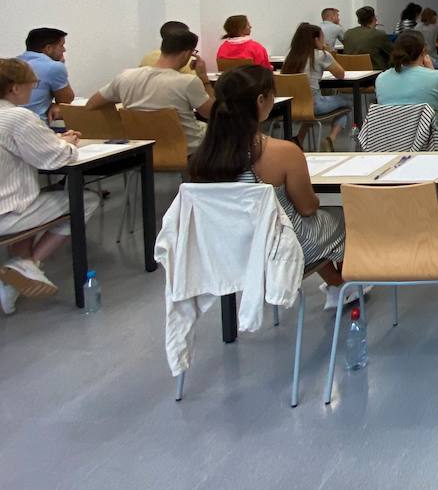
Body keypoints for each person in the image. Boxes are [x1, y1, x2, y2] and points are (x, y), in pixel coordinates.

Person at [188, 65, 351, 310]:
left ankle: (337, 285)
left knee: (305, 226)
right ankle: (344, 286)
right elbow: (307, 208)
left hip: (228, 249)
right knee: (339, 216)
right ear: (261, 100)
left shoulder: (202, 157)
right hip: (279, 248)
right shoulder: (282, 151)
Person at [0, 58, 99, 313]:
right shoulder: (17, 116)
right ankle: (28, 265)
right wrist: (68, 143)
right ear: (14, 88)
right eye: (31, 85)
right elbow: (56, 158)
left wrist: (52, 140)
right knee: (85, 200)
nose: (33, 90)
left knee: (34, 197)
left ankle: (15, 278)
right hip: (7, 214)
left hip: (11, 205)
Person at [87, 28, 214, 153]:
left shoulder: (125, 76)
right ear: (187, 54)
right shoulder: (188, 82)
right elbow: (212, 113)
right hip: (185, 149)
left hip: (143, 150)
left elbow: (91, 104)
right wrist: (203, 78)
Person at [376, 31, 438, 149]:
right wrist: (431, 70)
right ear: (423, 51)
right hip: (428, 141)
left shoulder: (381, 78)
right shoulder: (436, 77)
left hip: (390, 141)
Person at [282, 22, 350, 150]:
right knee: (347, 101)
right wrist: (327, 51)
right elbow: (340, 74)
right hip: (314, 105)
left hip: (290, 106)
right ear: (316, 39)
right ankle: (331, 138)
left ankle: (299, 139)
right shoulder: (321, 55)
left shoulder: (290, 56)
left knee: (307, 106)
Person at [16, 27, 75, 120]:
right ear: (48, 48)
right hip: (35, 126)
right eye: (61, 45)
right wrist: (61, 65)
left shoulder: (12, 64)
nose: (64, 50)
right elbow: (66, 100)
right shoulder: (53, 67)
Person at [343, 5, 393, 72]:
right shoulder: (379, 34)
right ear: (374, 18)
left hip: (351, 72)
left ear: (358, 21)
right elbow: (393, 52)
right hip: (374, 73)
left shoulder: (348, 33)